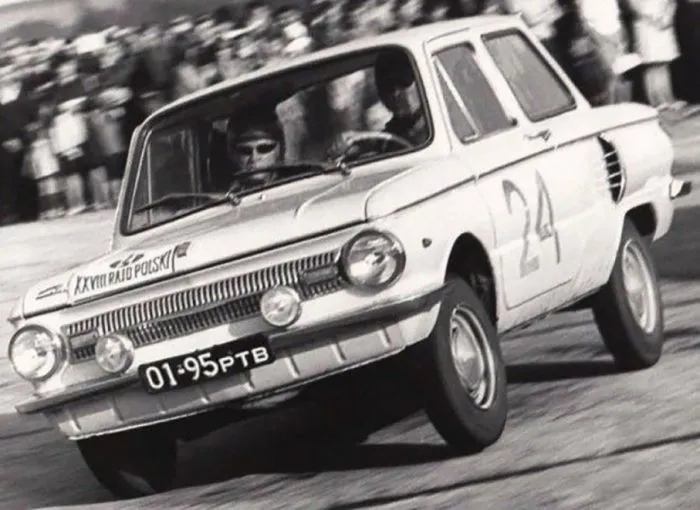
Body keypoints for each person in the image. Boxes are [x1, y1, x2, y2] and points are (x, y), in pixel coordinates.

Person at [373, 50, 428, 145]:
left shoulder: (439, 120)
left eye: (403, 82)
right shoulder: (387, 139)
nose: (396, 93)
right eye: (388, 87)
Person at [225, 106, 286, 191]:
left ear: (280, 150)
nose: (254, 158)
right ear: (233, 155)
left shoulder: (296, 185)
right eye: (245, 151)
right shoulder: (225, 196)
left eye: (264, 148)